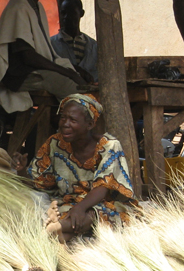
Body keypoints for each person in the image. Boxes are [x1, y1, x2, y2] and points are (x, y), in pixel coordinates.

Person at [12, 94, 140, 242]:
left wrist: (80, 208)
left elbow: (104, 186)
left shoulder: (109, 146)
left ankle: (50, 230)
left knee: (93, 215)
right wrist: (21, 169)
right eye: (63, 118)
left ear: (90, 124)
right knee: (67, 230)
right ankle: (55, 231)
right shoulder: (54, 143)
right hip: (69, 205)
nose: (65, 124)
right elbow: (38, 183)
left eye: (72, 120)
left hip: (103, 205)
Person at [0, 0, 85, 113]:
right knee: (71, 88)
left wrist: (74, 70)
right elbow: (29, 57)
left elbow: (44, 51)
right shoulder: (18, 7)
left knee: (79, 81)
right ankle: (75, 130)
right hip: (20, 75)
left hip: (35, 71)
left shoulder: (37, 6)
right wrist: (67, 72)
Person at [51, 0, 99, 83]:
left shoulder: (94, 46)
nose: (66, 17)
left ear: (81, 13)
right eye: (63, 13)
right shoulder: (51, 44)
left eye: (71, 13)